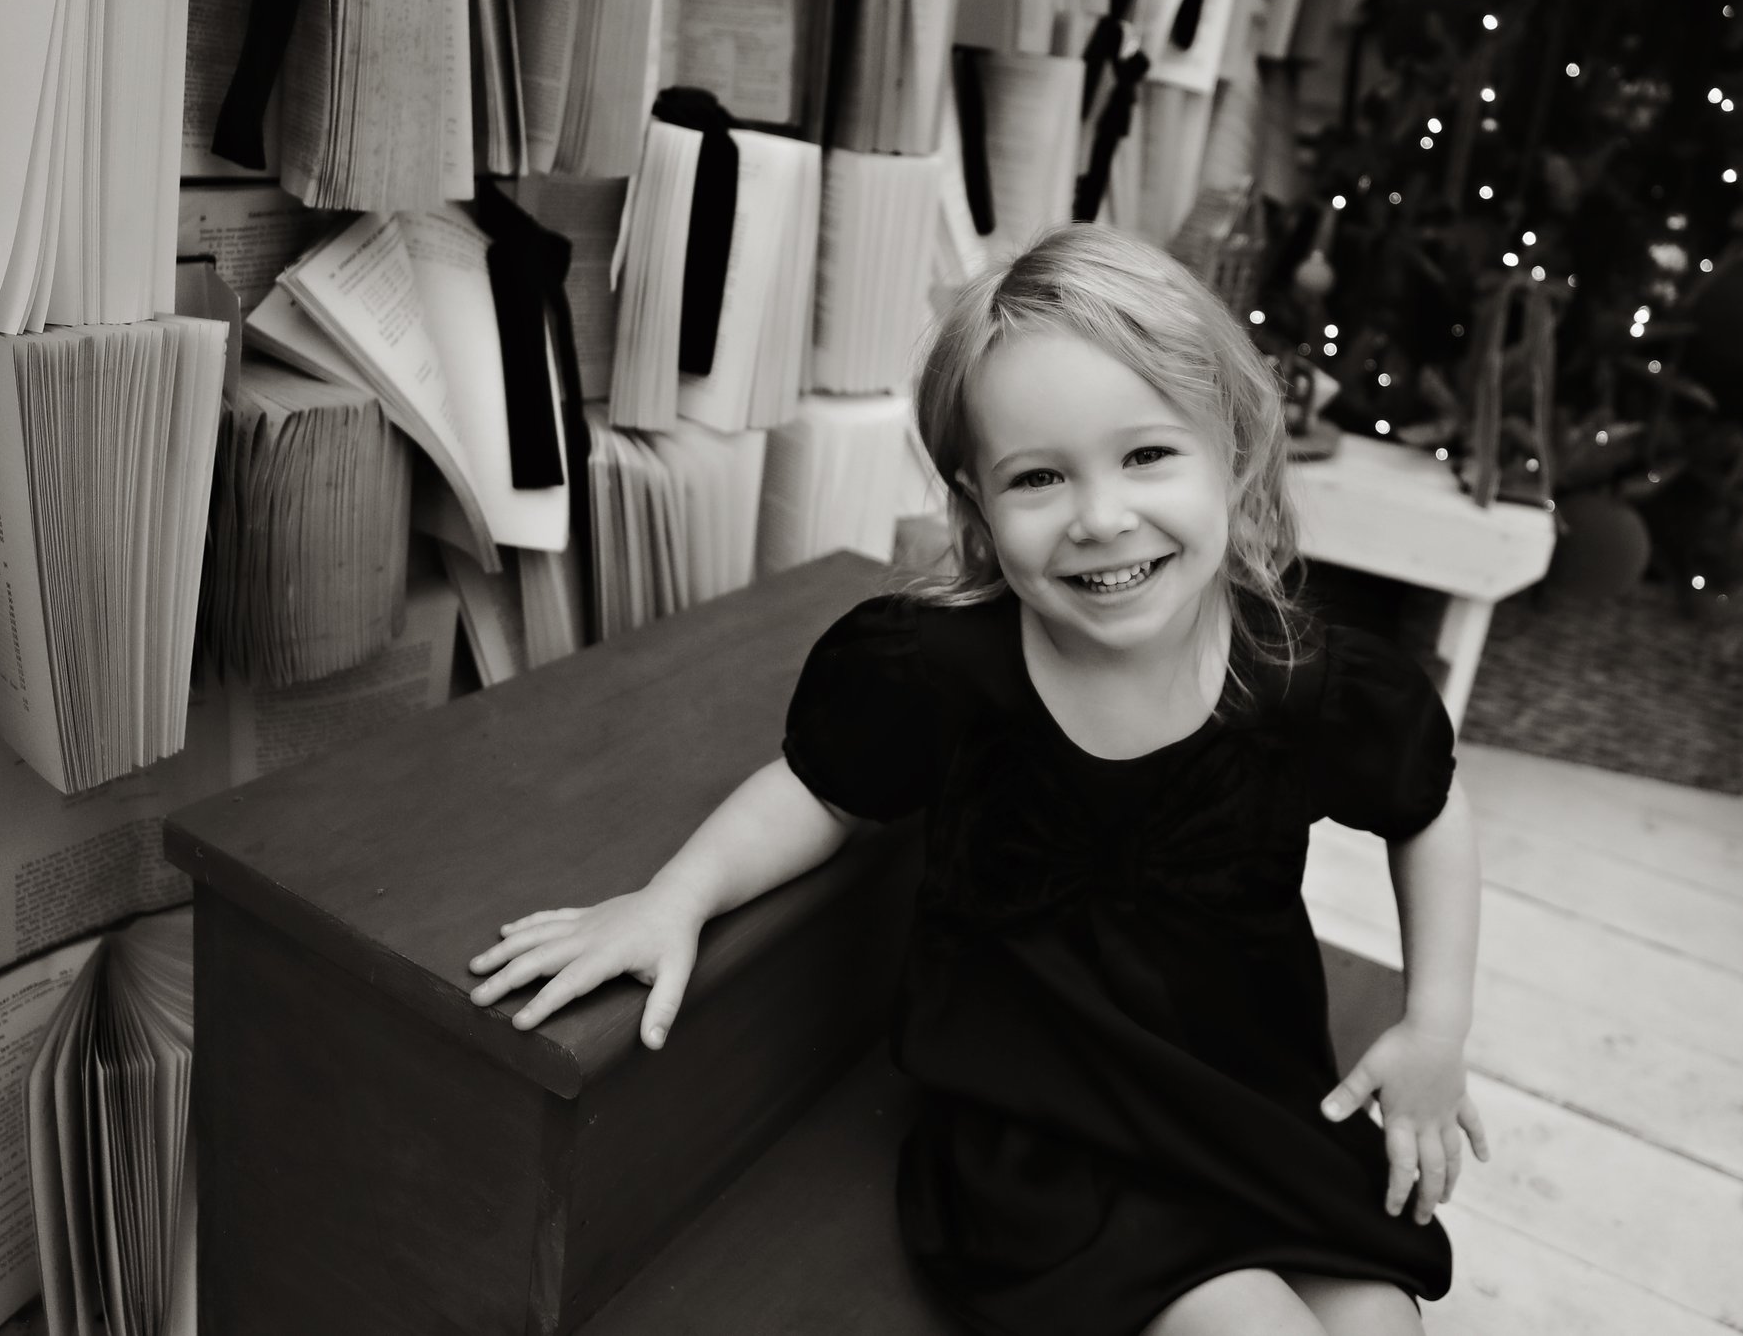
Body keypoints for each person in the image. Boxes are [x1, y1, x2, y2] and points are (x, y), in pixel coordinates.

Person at [467, 225, 1489, 1336]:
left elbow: (1428, 807)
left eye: (1147, 455)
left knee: (1384, 1323)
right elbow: (817, 790)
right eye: (1039, 476)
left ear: (1234, 451)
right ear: (976, 504)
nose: (1100, 516)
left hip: (1248, 1101)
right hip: (1050, 1135)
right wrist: (674, 896)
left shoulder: (1299, 677)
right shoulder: (938, 672)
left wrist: (1436, 1025)